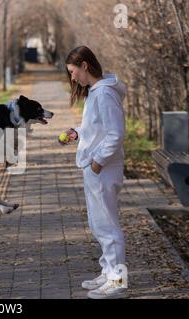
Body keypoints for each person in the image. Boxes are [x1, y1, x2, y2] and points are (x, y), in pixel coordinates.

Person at [60, 46, 128, 299]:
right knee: (98, 224)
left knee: (108, 227)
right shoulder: (96, 93)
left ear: (85, 65)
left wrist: (98, 161)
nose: (72, 77)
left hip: (104, 169)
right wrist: (78, 133)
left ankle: (118, 282)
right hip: (95, 167)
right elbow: (98, 128)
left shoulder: (105, 94)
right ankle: (108, 272)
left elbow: (116, 133)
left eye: (73, 71)